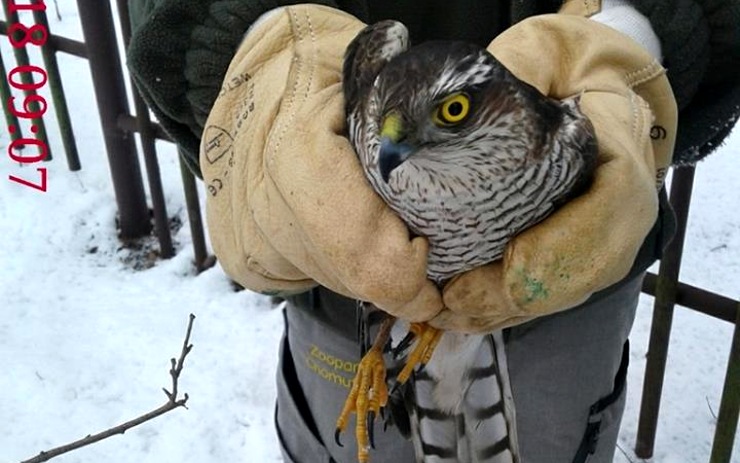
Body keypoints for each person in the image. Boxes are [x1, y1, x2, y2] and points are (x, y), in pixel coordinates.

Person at [127, 1, 740, 462]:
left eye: (448, 117)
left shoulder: (556, 140)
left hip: (568, 301)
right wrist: (253, 53)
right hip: (335, 291)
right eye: (390, 132)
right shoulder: (384, 120)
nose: (396, 149)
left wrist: (634, 28)